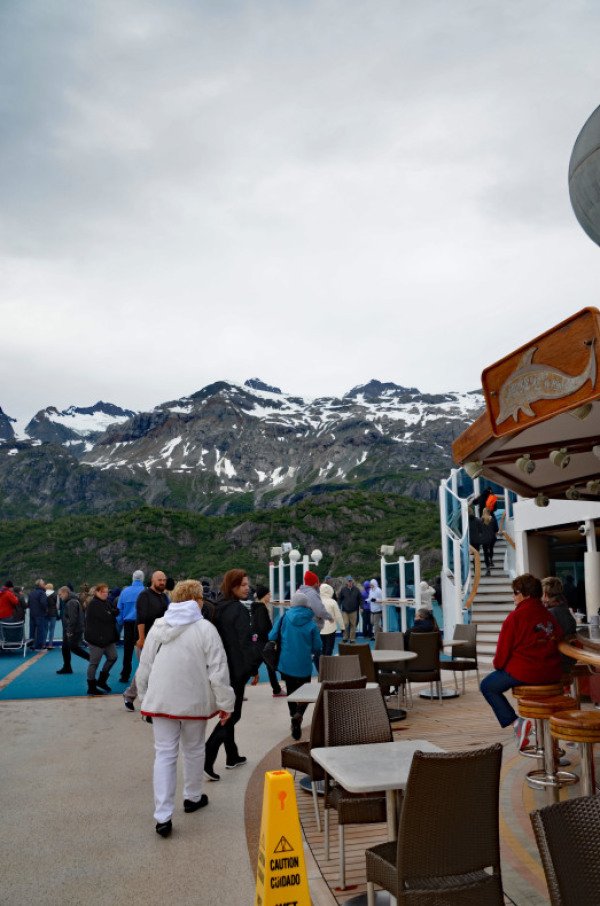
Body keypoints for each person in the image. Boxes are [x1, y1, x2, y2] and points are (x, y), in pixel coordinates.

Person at [136, 579, 235, 838]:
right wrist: (226, 703)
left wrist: (145, 699)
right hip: (193, 701)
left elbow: (144, 666)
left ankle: (163, 817)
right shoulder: (206, 629)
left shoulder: (158, 626)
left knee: (164, 755)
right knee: (193, 750)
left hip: (161, 701)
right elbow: (218, 670)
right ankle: (192, 797)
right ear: (198, 601)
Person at [480, 573, 563, 750]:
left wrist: (500, 667)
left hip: (527, 672)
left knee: (487, 686)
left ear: (525, 594)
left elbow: (501, 657)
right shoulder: (548, 615)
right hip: (553, 673)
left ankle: (516, 723)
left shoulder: (515, 617)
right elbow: (558, 636)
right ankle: (549, 745)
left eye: (515, 592)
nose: (513, 596)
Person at [203, 569, 263, 781]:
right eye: (244, 585)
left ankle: (232, 755)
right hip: (236, 669)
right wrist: (253, 668)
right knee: (233, 714)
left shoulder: (217, 607)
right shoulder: (238, 609)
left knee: (229, 709)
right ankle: (209, 753)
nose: (248, 588)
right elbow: (245, 642)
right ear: (234, 586)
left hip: (219, 667)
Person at [270, 592, 322, 740]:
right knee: (305, 693)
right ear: (306, 605)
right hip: (304, 664)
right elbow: (318, 645)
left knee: (291, 693)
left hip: (286, 663)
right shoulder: (311, 622)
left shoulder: (284, 618)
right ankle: (299, 713)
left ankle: (293, 715)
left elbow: (272, 636)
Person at [123, 570, 169, 712]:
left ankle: (134, 695)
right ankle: (131, 695)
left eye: (164, 580)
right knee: (146, 669)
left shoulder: (164, 597)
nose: (162, 582)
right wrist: (141, 638)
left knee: (151, 669)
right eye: (159, 580)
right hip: (146, 640)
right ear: (152, 580)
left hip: (160, 639)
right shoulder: (144, 595)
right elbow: (141, 618)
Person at [84, 584, 119, 695]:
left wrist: (111, 613)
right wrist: (111, 614)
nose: (105, 594)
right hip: (96, 639)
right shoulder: (94, 604)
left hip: (107, 638)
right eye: (102, 592)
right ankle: (91, 686)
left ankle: (101, 681)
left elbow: (116, 611)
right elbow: (107, 617)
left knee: (113, 657)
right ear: (96, 592)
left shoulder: (106, 602)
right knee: (94, 663)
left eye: (106, 592)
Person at [252, 585, 285, 697]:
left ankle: (276, 689)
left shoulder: (257, 607)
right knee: (259, 666)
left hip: (259, 642)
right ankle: (276, 690)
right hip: (263, 643)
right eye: (268, 594)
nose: (270, 595)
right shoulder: (262, 609)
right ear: (263, 596)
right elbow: (263, 627)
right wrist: (271, 635)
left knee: (269, 666)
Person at [542, 576, 577, 674]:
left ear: (544, 593)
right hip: (568, 658)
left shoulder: (550, 613)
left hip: (558, 662)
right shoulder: (563, 607)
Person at [116, 570, 145, 684]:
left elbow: (120, 609)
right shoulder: (146, 592)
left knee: (127, 651)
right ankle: (145, 675)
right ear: (142, 579)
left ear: (133, 578)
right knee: (143, 651)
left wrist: (121, 622)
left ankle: (125, 675)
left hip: (128, 624)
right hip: (142, 624)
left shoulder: (125, 592)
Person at [56, 586, 90, 674]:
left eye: (60, 595)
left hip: (73, 630)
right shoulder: (73, 601)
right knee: (65, 647)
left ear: (65, 593)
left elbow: (73, 618)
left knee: (74, 648)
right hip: (72, 628)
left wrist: (69, 631)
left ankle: (91, 659)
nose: (60, 597)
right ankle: (67, 667)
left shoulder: (71, 602)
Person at [320, 582, 344, 656]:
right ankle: (328, 662)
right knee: (329, 647)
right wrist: (342, 627)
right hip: (331, 628)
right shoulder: (333, 602)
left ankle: (322, 662)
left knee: (322, 647)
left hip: (320, 628)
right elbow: (338, 616)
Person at [339, 575, 362, 643]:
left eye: (350, 581)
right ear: (346, 582)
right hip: (345, 610)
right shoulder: (343, 590)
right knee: (345, 624)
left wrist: (361, 607)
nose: (350, 582)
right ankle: (345, 637)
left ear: (352, 581)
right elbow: (340, 599)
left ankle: (352, 639)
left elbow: (361, 599)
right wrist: (338, 606)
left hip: (354, 610)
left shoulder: (356, 590)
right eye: (348, 581)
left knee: (353, 625)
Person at [28, 579, 48, 650]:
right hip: (40, 614)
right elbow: (43, 603)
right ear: (40, 585)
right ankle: (40, 646)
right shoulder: (42, 593)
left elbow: (29, 603)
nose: (45, 585)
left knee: (32, 630)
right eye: (44, 583)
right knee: (40, 630)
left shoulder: (31, 593)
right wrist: (46, 609)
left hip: (32, 614)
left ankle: (31, 645)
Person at [480, 508, 497, 576]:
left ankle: (488, 569)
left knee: (485, 553)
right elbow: (496, 529)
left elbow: (479, 530)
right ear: (489, 512)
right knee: (491, 549)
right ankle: (491, 560)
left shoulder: (481, 520)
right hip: (492, 537)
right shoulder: (493, 519)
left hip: (484, 538)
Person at [45, 583, 59, 648]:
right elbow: (57, 605)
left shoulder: (43, 594)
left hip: (45, 613)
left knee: (45, 629)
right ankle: (50, 644)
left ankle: (43, 643)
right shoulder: (55, 594)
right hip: (53, 613)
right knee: (52, 629)